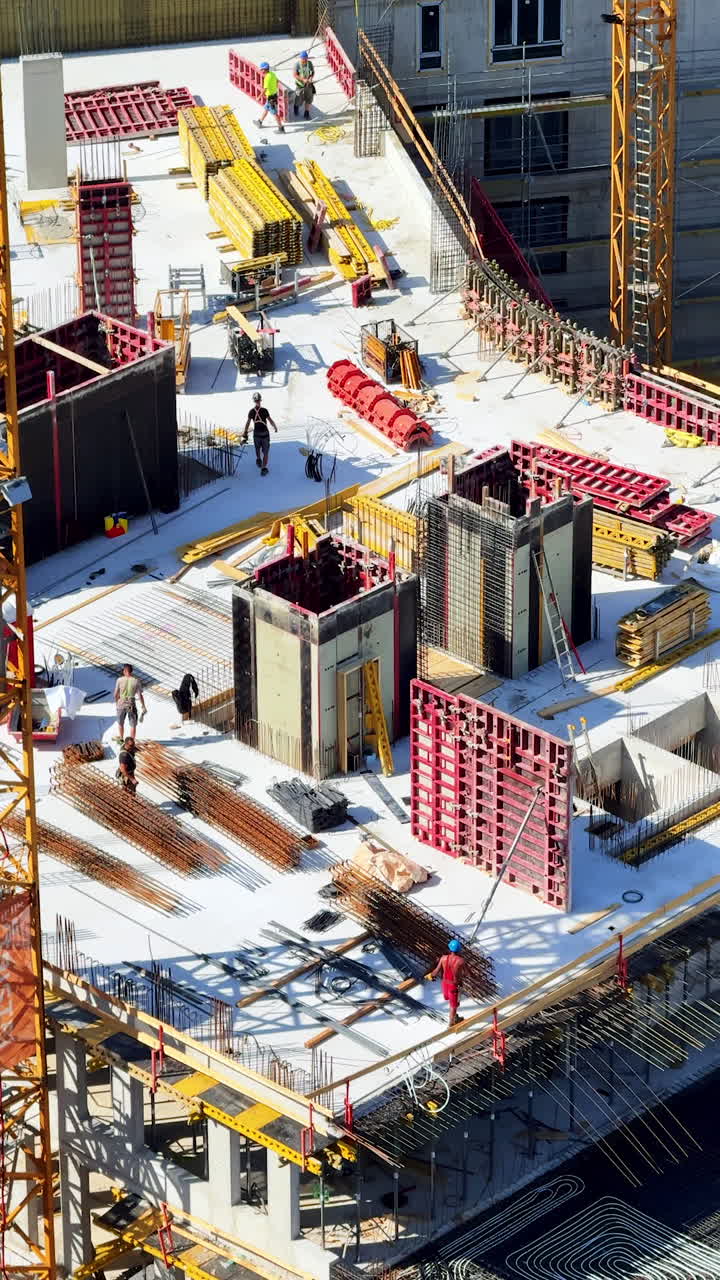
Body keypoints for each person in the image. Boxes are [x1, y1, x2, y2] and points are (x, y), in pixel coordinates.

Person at [426, 939, 465, 1027]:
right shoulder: (461, 961)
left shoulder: (443, 958)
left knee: (451, 1001)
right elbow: (468, 973)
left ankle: (454, 1016)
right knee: (453, 1006)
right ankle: (452, 1022)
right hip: (453, 986)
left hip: (445, 984)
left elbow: (436, 971)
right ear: (459, 950)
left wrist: (430, 975)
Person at [242, 392, 278, 476]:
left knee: (257, 448)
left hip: (257, 434)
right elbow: (270, 420)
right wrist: (275, 427)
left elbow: (247, 423)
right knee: (265, 452)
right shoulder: (264, 410)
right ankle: (263, 468)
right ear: (260, 400)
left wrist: (245, 432)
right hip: (265, 434)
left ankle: (258, 459)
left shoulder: (251, 411)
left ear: (254, 401)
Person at [113, 663, 146, 743]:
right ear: (131, 671)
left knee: (121, 723)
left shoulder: (119, 680)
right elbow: (140, 695)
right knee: (133, 724)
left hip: (121, 704)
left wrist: (117, 703)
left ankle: (121, 738)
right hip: (131, 704)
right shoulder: (136, 681)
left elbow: (116, 694)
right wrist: (143, 706)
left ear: (124, 671)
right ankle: (131, 742)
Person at [256, 62, 285, 133]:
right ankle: (260, 121)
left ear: (265, 69)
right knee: (266, 109)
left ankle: (281, 128)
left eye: (262, 69)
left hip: (271, 98)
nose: (261, 71)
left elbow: (265, 89)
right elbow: (277, 81)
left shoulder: (267, 77)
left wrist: (259, 97)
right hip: (273, 95)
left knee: (274, 113)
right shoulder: (272, 74)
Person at [293, 51, 315, 120]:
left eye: (306, 59)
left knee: (309, 99)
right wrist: (303, 79)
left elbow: (312, 72)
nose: (305, 60)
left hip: (308, 85)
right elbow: (295, 75)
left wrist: (311, 78)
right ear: (301, 58)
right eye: (303, 59)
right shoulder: (297, 65)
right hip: (300, 85)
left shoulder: (309, 63)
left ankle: (306, 113)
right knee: (298, 99)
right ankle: (296, 107)